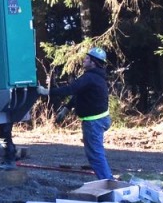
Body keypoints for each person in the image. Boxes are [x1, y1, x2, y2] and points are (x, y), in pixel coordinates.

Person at [38, 47, 113, 180]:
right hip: (100, 119)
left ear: (94, 62)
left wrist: (47, 92)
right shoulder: (96, 77)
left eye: (87, 58)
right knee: (96, 154)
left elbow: (70, 89)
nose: (84, 60)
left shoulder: (90, 77)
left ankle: (108, 184)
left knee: (96, 156)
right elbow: (79, 92)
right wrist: (67, 108)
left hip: (93, 122)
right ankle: (107, 180)